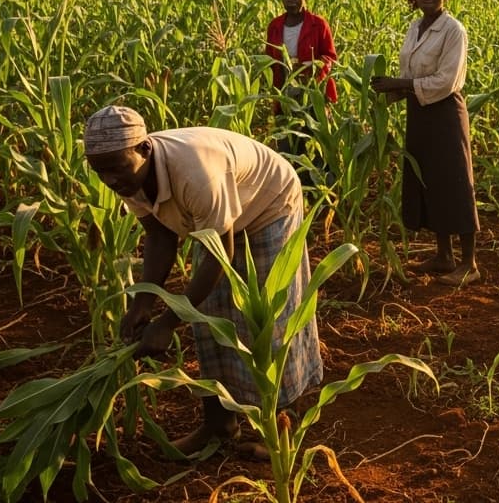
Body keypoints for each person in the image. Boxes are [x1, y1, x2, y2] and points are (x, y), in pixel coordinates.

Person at [83, 105, 322, 460]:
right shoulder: (127, 174)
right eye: (99, 170)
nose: (109, 179)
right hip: (217, 216)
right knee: (210, 316)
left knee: (269, 318)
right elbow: (160, 237)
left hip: (269, 203)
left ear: (144, 149)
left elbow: (220, 255)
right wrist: (143, 304)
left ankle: (283, 427)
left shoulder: (196, 173)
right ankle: (219, 424)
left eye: (115, 168)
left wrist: (168, 322)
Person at [371, 0, 480, 287]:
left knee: (455, 183)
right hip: (419, 111)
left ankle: (469, 264)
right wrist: (388, 92)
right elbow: (411, 73)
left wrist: (400, 84)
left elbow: (447, 80)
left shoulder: (453, 30)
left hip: (445, 113)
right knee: (428, 180)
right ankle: (444, 255)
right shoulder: (415, 27)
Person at [264, 0, 338, 168]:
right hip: (284, 91)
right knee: (287, 141)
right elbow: (269, 57)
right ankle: (291, 177)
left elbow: (330, 57)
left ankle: (320, 178)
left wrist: (311, 66)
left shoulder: (319, 24)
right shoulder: (275, 25)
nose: (291, 0)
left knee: (317, 140)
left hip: (313, 91)